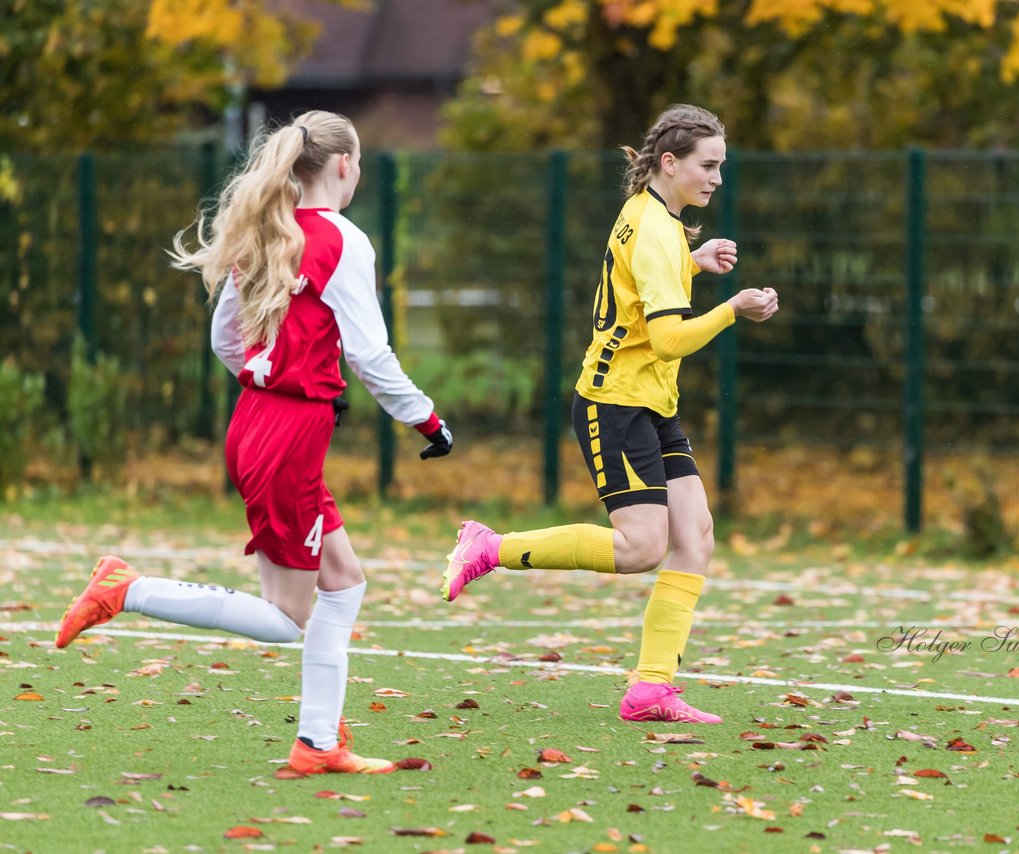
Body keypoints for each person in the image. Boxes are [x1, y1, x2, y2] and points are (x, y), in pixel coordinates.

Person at [54, 111, 453, 775]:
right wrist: (426, 419)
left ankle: (318, 745)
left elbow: (224, 341)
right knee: (286, 616)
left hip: (258, 421)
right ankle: (129, 588)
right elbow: (370, 354)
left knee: (345, 582)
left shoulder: (269, 231)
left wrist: (273, 378)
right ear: (345, 166)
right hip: (288, 435)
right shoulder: (342, 240)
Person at [440, 104, 778, 724]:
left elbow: (637, 286)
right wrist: (733, 308)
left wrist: (693, 265)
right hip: (615, 402)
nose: (717, 179)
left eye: (722, 166)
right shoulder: (655, 229)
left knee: (694, 535)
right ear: (670, 163)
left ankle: (651, 688)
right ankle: (492, 548)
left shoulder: (658, 214)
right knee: (642, 547)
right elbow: (671, 338)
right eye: (709, 166)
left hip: (649, 400)